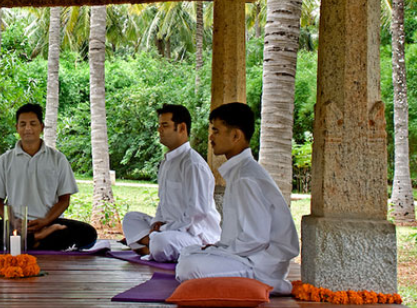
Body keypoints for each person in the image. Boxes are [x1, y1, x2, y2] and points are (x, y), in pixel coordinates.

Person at [176, 102, 299, 295]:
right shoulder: (241, 171)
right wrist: (216, 248)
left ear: (236, 136)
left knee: (188, 267)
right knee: (188, 254)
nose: (211, 137)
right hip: (246, 257)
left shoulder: (246, 177)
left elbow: (256, 239)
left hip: (260, 265)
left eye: (216, 131)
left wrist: (218, 252)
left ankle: (271, 285)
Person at [0, 103, 97, 250]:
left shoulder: (57, 159)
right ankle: (39, 238)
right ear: (17, 128)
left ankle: (26, 241)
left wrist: (45, 221)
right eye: (23, 124)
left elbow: (64, 200)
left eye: (33, 124)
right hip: (15, 225)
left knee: (88, 234)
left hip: (50, 222)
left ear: (41, 126)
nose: (28, 128)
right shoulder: (5, 160)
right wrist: (13, 222)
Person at [122, 104, 220, 262]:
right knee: (130, 219)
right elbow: (163, 202)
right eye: (159, 125)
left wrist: (163, 229)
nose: (159, 130)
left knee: (161, 241)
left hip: (194, 235)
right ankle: (154, 248)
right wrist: (156, 223)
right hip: (167, 229)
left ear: (181, 128)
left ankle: (153, 247)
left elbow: (197, 213)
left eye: (165, 125)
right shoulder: (166, 162)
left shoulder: (192, 164)